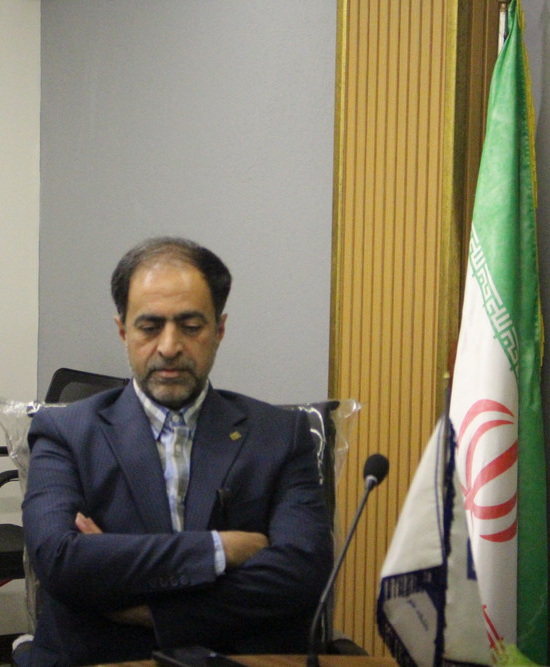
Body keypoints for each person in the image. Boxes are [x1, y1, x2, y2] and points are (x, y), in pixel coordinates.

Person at [19, 237, 334, 666]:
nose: (169, 347)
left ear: (219, 330)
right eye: (150, 327)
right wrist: (221, 548)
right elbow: (60, 561)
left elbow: (302, 573)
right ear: (123, 331)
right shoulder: (65, 433)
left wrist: (151, 610)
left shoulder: (281, 435)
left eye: (190, 326)